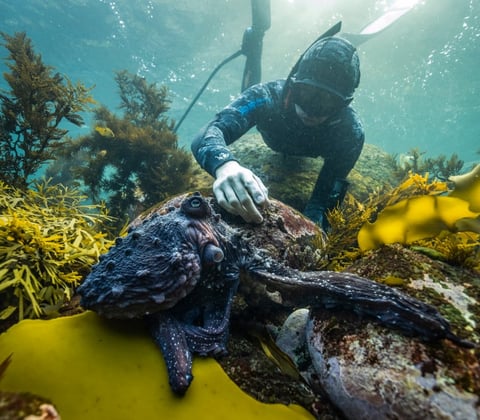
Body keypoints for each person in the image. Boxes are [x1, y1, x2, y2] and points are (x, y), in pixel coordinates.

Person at [191, 36, 364, 229]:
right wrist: (225, 166)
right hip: (272, 133)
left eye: (327, 101)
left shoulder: (350, 134)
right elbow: (210, 130)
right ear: (292, 84)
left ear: (343, 105)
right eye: (305, 93)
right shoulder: (267, 96)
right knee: (247, 92)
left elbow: (321, 202)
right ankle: (255, 45)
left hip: (284, 140)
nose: (311, 109)